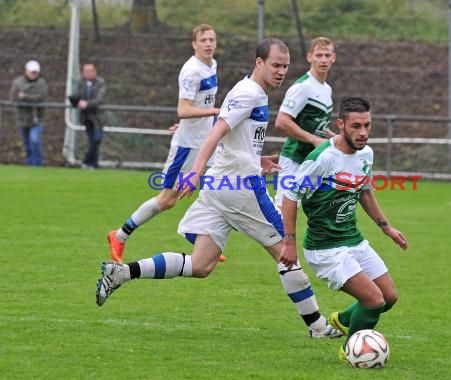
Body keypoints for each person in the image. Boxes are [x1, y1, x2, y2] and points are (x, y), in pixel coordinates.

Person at [96, 37, 343, 339]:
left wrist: (256, 158)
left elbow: (233, 137)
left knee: (201, 264)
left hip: (221, 186)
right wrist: (196, 171)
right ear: (259, 63)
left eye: (285, 66)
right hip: (240, 189)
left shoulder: (253, 92)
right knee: (286, 253)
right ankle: (318, 328)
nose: (281, 71)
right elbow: (217, 132)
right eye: (276, 65)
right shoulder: (249, 93)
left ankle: (121, 272)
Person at [278, 97, 409, 361]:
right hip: (325, 248)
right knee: (374, 300)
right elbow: (290, 196)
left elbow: (365, 191)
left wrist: (387, 228)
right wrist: (289, 242)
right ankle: (352, 351)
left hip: (353, 240)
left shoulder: (366, 154)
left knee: (389, 297)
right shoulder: (322, 158)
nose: (363, 133)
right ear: (340, 124)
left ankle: (341, 320)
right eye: (356, 126)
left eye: (367, 126)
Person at [105, 24, 225, 263]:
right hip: (187, 147)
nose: (209, 44)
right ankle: (119, 235)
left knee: (219, 186)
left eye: (212, 39)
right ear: (194, 44)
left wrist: (201, 119)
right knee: (167, 199)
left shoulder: (212, 65)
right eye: (204, 40)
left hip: (206, 141)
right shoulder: (191, 71)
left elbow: (195, 107)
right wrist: (213, 113)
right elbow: (183, 109)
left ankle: (201, 239)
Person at [273, 37, 336, 207]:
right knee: (282, 210)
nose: (323, 59)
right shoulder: (302, 87)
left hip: (313, 160)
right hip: (294, 157)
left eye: (327, 55)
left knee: (320, 209)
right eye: (319, 55)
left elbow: (318, 126)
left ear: (333, 58)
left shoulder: (326, 88)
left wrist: (336, 139)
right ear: (310, 57)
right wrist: (314, 140)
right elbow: (282, 121)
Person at [9, 60, 48, 166]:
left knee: (34, 140)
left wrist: (25, 96)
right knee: (26, 143)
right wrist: (27, 97)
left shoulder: (41, 83)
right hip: (22, 118)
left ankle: (37, 164)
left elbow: (40, 97)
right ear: (26, 71)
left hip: (36, 118)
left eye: (35, 72)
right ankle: (29, 163)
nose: (33, 74)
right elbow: (14, 97)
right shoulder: (18, 82)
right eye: (31, 72)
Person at [69, 62, 107, 169]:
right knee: (91, 140)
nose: (88, 73)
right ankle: (93, 164)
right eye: (86, 71)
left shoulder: (100, 82)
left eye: (91, 71)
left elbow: (99, 99)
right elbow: (77, 95)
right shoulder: (81, 82)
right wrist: (76, 102)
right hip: (86, 117)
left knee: (97, 139)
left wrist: (86, 104)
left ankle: (87, 161)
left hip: (98, 117)